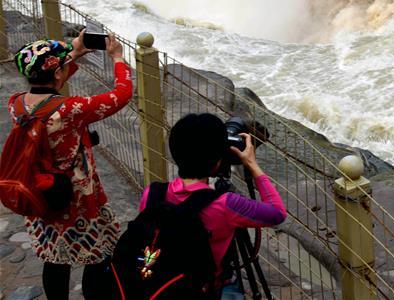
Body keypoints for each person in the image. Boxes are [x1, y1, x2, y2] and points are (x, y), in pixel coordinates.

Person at [9, 33, 134, 299]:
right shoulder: (70, 109)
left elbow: (51, 81)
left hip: (41, 193)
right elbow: (122, 94)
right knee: (98, 255)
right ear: (57, 74)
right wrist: (118, 58)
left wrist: (72, 54)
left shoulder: (16, 104)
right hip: (77, 199)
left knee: (55, 257)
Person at [138, 113, 286, 294]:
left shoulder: (152, 193)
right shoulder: (227, 205)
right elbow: (277, 212)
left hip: (155, 284)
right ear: (217, 163)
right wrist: (252, 164)